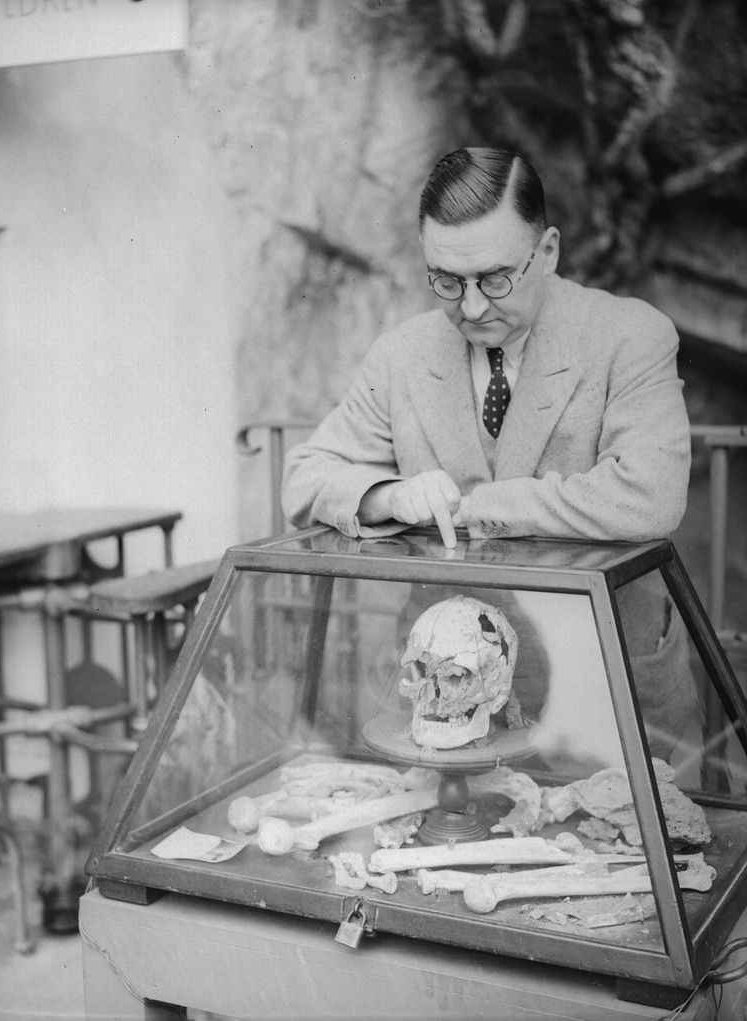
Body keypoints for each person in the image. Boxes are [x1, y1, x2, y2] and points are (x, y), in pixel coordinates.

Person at [282, 147, 695, 758]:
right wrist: (390, 495)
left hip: (605, 680)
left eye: (496, 279)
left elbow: (651, 495)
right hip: (446, 698)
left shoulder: (630, 336)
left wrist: (477, 505)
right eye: (447, 282)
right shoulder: (401, 356)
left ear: (548, 250)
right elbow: (303, 479)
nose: (472, 307)